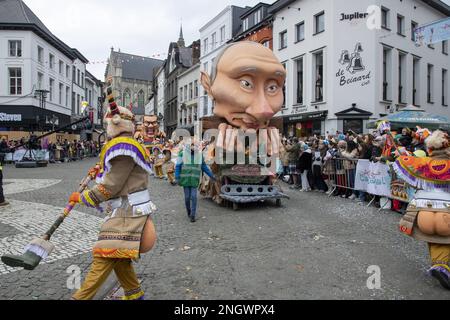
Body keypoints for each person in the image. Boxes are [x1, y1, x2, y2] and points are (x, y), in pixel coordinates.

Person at [70, 86, 157, 300]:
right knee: (120, 257)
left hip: (128, 213)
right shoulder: (126, 145)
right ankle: (136, 295)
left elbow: (111, 185)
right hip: (127, 211)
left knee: (104, 254)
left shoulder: (123, 147)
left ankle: (80, 298)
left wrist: (83, 197)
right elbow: (115, 177)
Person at [396, 130, 450, 290]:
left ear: (430, 148)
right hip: (447, 211)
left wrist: (401, 154)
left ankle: (440, 266)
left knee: (435, 240)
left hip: (423, 214)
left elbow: (406, 166)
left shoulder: (422, 164)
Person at [175, 142, 216, 223]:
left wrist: (212, 176)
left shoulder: (199, 156)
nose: (192, 147)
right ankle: (189, 211)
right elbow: (178, 166)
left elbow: (204, 167)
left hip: (194, 180)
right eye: (191, 145)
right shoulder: (181, 154)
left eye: (194, 145)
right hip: (185, 180)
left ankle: (193, 215)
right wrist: (177, 177)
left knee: (194, 197)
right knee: (187, 198)